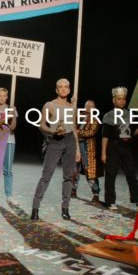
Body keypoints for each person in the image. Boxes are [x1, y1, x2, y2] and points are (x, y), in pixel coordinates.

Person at [31, 78, 80, 221]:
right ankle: (35, 208)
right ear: (56, 89)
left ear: (69, 90)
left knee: (68, 177)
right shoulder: (49, 105)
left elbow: (75, 128)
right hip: (55, 141)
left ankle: (65, 208)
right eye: (60, 87)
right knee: (46, 176)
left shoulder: (72, 106)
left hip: (70, 141)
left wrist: (77, 149)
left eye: (66, 87)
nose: (63, 89)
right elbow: (41, 125)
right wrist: (52, 132)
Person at [101, 86, 138, 210]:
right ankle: (110, 201)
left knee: (131, 174)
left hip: (126, 148)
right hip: (113, 147)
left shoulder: (130, 114)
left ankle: (137, 199)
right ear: (114, 100)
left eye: (124, 99)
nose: (122, 101)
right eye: (119, 99)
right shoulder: (108, 116)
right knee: (111, 175)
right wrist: (103, 153)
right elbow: (105, 136)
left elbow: (134, 133)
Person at [71, 99, 102, 204]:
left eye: (91, 107)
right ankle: (73, 189)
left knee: (90, 171)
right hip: (77, 146)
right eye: (87, 106)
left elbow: (91, 132)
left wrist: (77, 131)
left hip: (88, 148)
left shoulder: (95, 120)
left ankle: (95, 193)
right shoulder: (80, 118)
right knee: (75, 169)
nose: (88, 108)